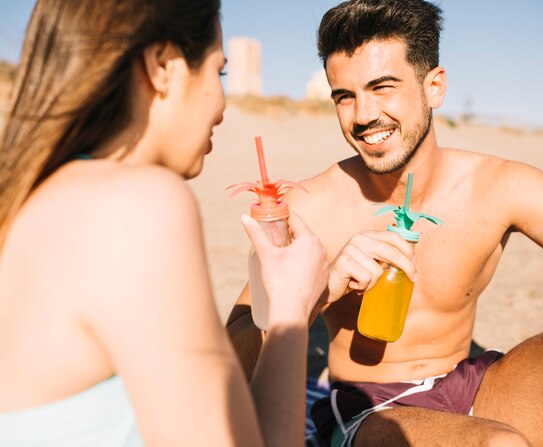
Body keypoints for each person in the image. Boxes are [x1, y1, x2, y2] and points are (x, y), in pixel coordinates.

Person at [227, 0, 543, 445]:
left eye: (382, 87)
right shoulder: (311, 207)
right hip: (369, 410)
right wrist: (320, 290)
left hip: (474, 384)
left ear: (434, 86)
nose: (362, 116)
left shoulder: (499, 186)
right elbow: (230, 362)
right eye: (345, 96)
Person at [0, 0, 329, 446]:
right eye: (219, 72)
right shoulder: (136, 205)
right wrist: (292, 305)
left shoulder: (30, 198)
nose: (222, 103)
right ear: (162, 66)